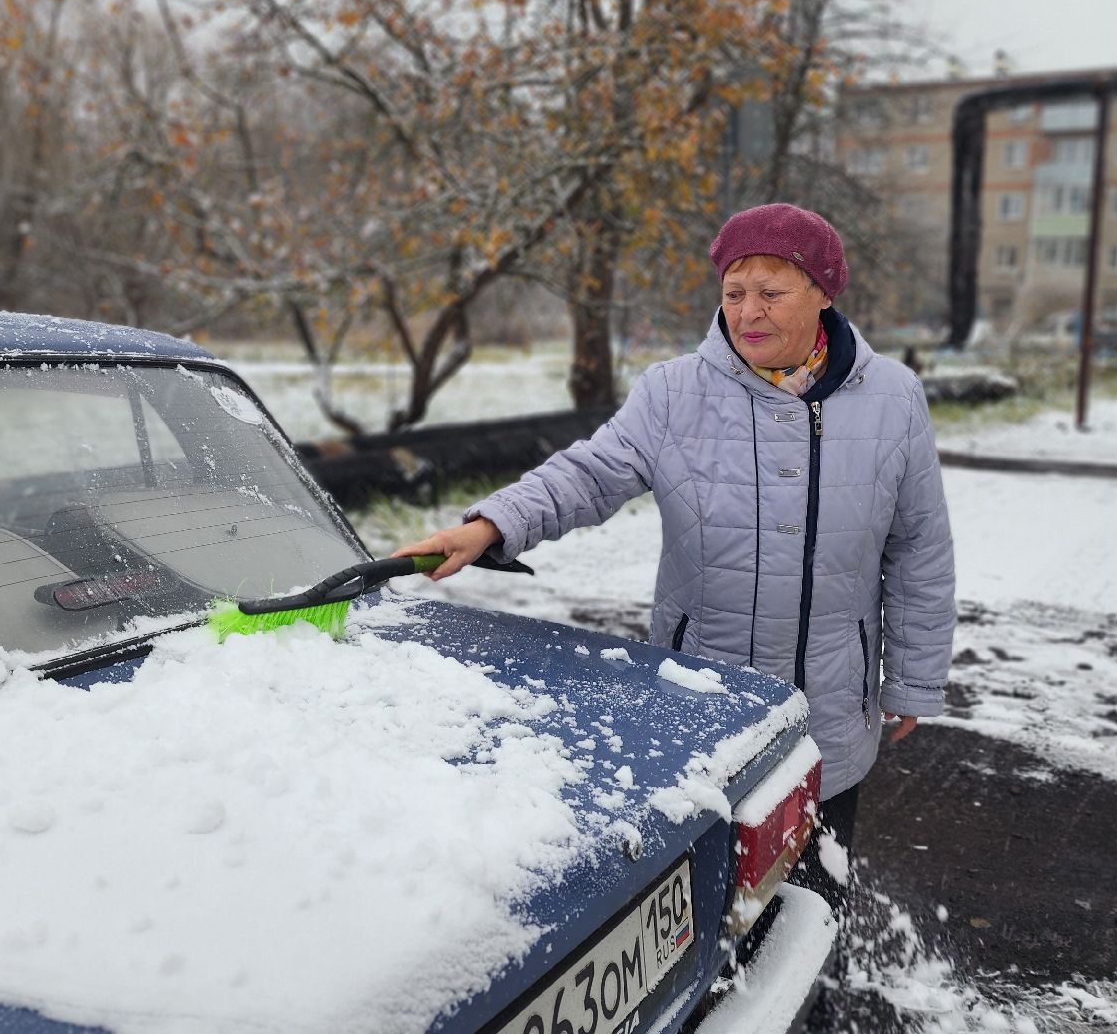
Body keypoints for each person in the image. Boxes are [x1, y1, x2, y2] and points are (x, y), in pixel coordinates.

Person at [394, 203, 956, 913]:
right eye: (733, 292)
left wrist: (913, 676)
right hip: (704, 701)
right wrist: (488, 526)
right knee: (703, 903)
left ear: (822, 293)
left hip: (831, 708)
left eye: (772, 292)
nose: (748, 311)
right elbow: (587, 474)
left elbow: (918, 550)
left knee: (810, 899)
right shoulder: (674, 392)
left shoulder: (893, 399)